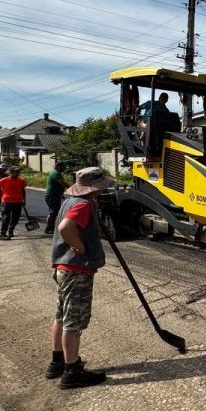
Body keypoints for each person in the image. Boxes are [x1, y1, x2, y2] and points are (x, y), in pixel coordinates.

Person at [45, 166, 115, 389]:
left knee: (62, 315)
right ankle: (72, 371)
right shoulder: (83, 205)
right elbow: (66, 228)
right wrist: (80, 247)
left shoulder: (69, 201)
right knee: (74, 322)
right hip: (76, 270)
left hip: (63, 267)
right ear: (94, 188)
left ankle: (57, 362)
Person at [0, 166, 28, 240]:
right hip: (7, 202)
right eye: (16, 171)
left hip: (18, 201)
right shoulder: (5, 180)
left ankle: (11, 230)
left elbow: (23, 190)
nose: (18, 173)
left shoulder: (21, 180)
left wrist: (23, 200)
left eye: (19, 171)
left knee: (16, 218)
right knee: (6, 218)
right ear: (12, 172)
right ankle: (2, 234)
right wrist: (2, 196)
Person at [44, 162, 69, 234]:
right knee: (53, 211)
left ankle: (52, 226)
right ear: (58, 166)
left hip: (55, 195)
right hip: (52, 195)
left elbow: (60, 185)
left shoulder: (56, 173)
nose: (64, 169)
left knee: (55, 211)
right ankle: (48, 227)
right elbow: (62, 183)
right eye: (63, 167)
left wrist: (61, 193)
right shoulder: (55, 173)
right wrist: (72, 189)